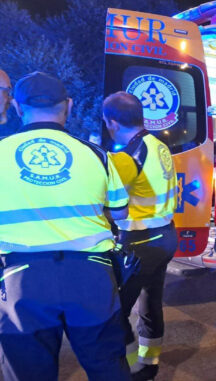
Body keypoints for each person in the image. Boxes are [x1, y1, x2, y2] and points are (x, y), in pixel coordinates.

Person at [0, 72, 131, 380]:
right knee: (107, 367)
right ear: (69, 106)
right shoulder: (97, 155)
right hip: (91, 275)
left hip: (20, 280)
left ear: (18, 107)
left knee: (27, 372)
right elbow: (121, 212)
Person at [103, 91, 178, 380]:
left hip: (139, 242)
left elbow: (113, 209)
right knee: (150, 301)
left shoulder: (125, 157)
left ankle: (133, 368)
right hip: (165, 236)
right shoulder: (158, 144)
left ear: (112, 122)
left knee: (116, 311)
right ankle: (150, 361)